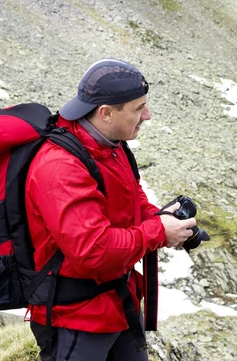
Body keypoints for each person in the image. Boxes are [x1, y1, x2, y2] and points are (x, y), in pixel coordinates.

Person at [25, 58, 195, 360]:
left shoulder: (109, 145)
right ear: (106, 113)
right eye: (138, 108)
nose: (148, 115)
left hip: (118, 301)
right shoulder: (60, 166)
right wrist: (157, 232)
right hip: (77, 317)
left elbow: (132, 201)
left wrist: (164, 220)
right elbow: (94, 251)